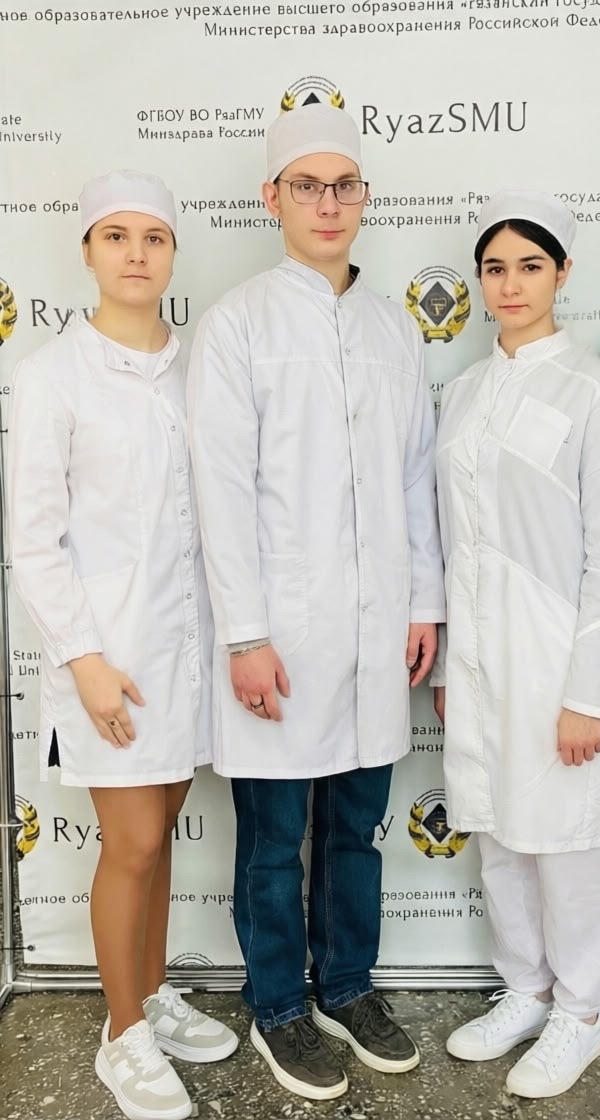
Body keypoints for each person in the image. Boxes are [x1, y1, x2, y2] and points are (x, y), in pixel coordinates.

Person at [186, 104, 444, 1101]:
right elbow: (220, 488)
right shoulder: (238, 323)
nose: (328, 203)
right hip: (281, 635)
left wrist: (424, 601)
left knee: (353, 830)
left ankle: (347, 986)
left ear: (364, 198)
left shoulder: (392, 327)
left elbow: (415, 473)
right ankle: (278, 1007)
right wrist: (245, 635)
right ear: (273, 198)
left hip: (378, 633)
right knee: (272, 841)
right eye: (307, 186)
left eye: (344, 186)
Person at [9, 171, 237, 1120]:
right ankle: (122, 1037)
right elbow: (33, 539)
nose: (136, 254)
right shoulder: (51, 375)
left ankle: (147, 994)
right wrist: (86, 661)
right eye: (117, 236)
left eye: (154, 238)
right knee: (132, 841)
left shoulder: (198, 368)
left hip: (188, 649)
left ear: (173, 252)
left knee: (161, 834)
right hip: (109, 657)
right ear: (88, 252)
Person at [432, 191, 600, 1098]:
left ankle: (581, 1012)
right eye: (495, 268)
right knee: (498, 831)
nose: (510, 284)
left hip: (556, 655)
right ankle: (525, 988)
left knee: (567, 837)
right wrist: (451, 658)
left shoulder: (593, 390)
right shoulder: (464, 392)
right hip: (479, 652)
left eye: (530, 266)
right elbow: (451, 536)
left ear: (562, 273)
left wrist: (586, 693)